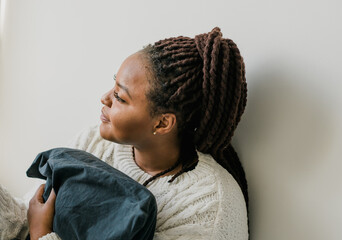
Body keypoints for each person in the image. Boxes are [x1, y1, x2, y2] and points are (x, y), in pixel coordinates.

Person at [0, 27, 249, 240]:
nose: (105, 98)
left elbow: (37, 224)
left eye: (120, 96)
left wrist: (41, 233)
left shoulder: (208, 206)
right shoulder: (95, 143)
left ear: (163, 124)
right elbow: (30, 212)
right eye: (113, 84)